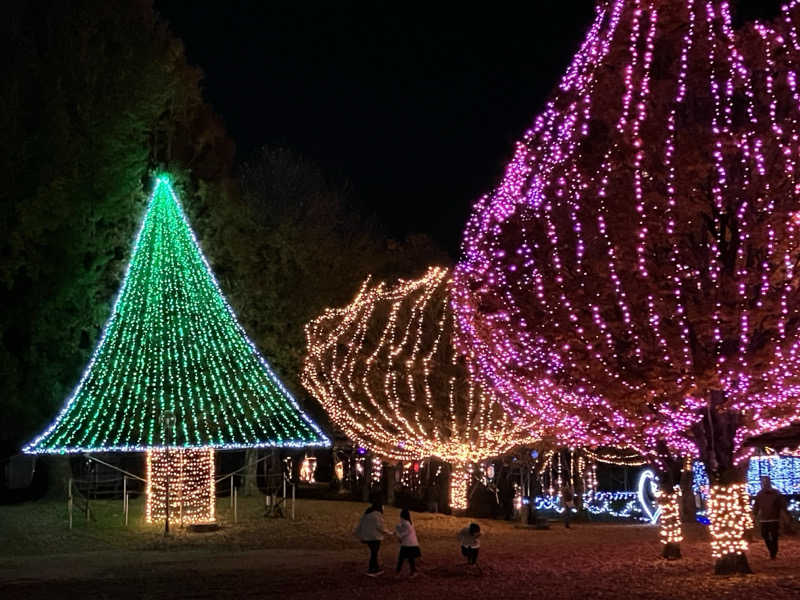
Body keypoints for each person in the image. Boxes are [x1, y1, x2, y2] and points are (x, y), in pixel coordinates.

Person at [753, 476, 788, 560]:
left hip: (774, 518)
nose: (763, 484)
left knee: (774, 536)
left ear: (768, 483)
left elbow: (782, 504)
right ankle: (771, 550)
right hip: (764, 519)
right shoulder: (760, 494)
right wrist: (754, 514)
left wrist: (785, 514)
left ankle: (773, 553)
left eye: (765, 482)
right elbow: (756, 505)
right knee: (765, 535)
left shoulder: (776, 493)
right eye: (762, 483)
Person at [354, 501, 393, 576]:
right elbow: (381, 527)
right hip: (375, 538)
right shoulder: (377, 515)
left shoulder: (367, 514)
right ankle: (372, 570)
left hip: (367, 537)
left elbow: (360, 524)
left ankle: (375, 568)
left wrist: (358, 534)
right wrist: (389, 533)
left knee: (374, 552)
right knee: (374, 553)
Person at [395, 508, 421, 577]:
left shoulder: (406, 523)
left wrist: (399, 536)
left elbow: (406, 532)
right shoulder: (408, 523)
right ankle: (413, 571)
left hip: (407, 544)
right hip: (411, 544)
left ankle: (398, 572)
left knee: (402, 558)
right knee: (410, 558)